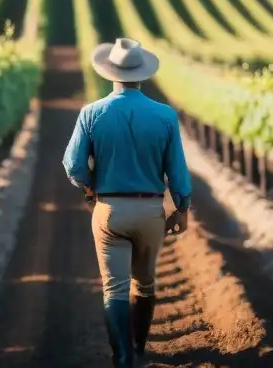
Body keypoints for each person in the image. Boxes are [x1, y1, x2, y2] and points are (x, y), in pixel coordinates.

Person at [62, 37, 193, 368]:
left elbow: (73, 165)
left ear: (110, 73)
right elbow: (177, 170)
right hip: (150, 212)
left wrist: (89, 187)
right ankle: (138, 346)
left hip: (109, 210)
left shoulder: (91, 113)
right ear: (142, 74)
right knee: (145, 285)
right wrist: (182, 207)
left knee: (114, 290)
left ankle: (122, 358)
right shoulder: (164, 116)